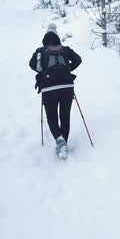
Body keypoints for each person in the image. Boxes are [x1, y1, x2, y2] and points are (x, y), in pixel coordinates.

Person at [29, 24, 82, 160]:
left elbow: (31, 64)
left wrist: (44, 73)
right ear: (57, 37)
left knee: (52, 117)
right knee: (65, 115)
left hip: (48, 89)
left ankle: (60, 141)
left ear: (45, 38)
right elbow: (78, 60)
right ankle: (64, 141)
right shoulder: (65, 49)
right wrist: (67, 70)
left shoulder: (40, 51)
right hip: (67, 87)